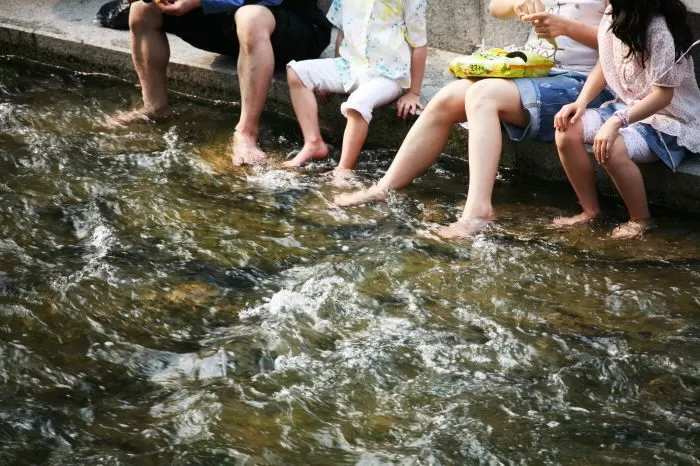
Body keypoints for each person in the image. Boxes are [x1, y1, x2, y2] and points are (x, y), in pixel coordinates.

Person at [335, 0, 614, 238]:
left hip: (584, 83)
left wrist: (567, 27)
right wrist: (518, 4)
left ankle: (478, 211)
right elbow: (495, 7)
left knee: (482, 95)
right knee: (446, 99)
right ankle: (384, 187)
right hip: (533, 68)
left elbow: (621, 41)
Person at [113, 0, 331, 166]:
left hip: (293, 27)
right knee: (143, 8)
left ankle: (247, 133)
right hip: (227, 22)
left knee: (251, 16)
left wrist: (200, 1)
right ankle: (154, 108)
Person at [552, 0, 700, 239]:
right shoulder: (614, 13)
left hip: (670, 119)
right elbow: (606, 62)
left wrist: (616, 121)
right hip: (629, 107)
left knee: (612, 147)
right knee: (566, 129)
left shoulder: (658, 29)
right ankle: (590, 211)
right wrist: (580, 102)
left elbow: (664, 95)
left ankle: (640, 219)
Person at [282, 0, 428, 181]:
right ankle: (313, 142)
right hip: (349, 66)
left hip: (388, 74)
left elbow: (419, 45)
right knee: (297, 72)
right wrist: (334, 80)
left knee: (358, 104)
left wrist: (413, 92)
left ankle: (344, 169)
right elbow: (343, 33)